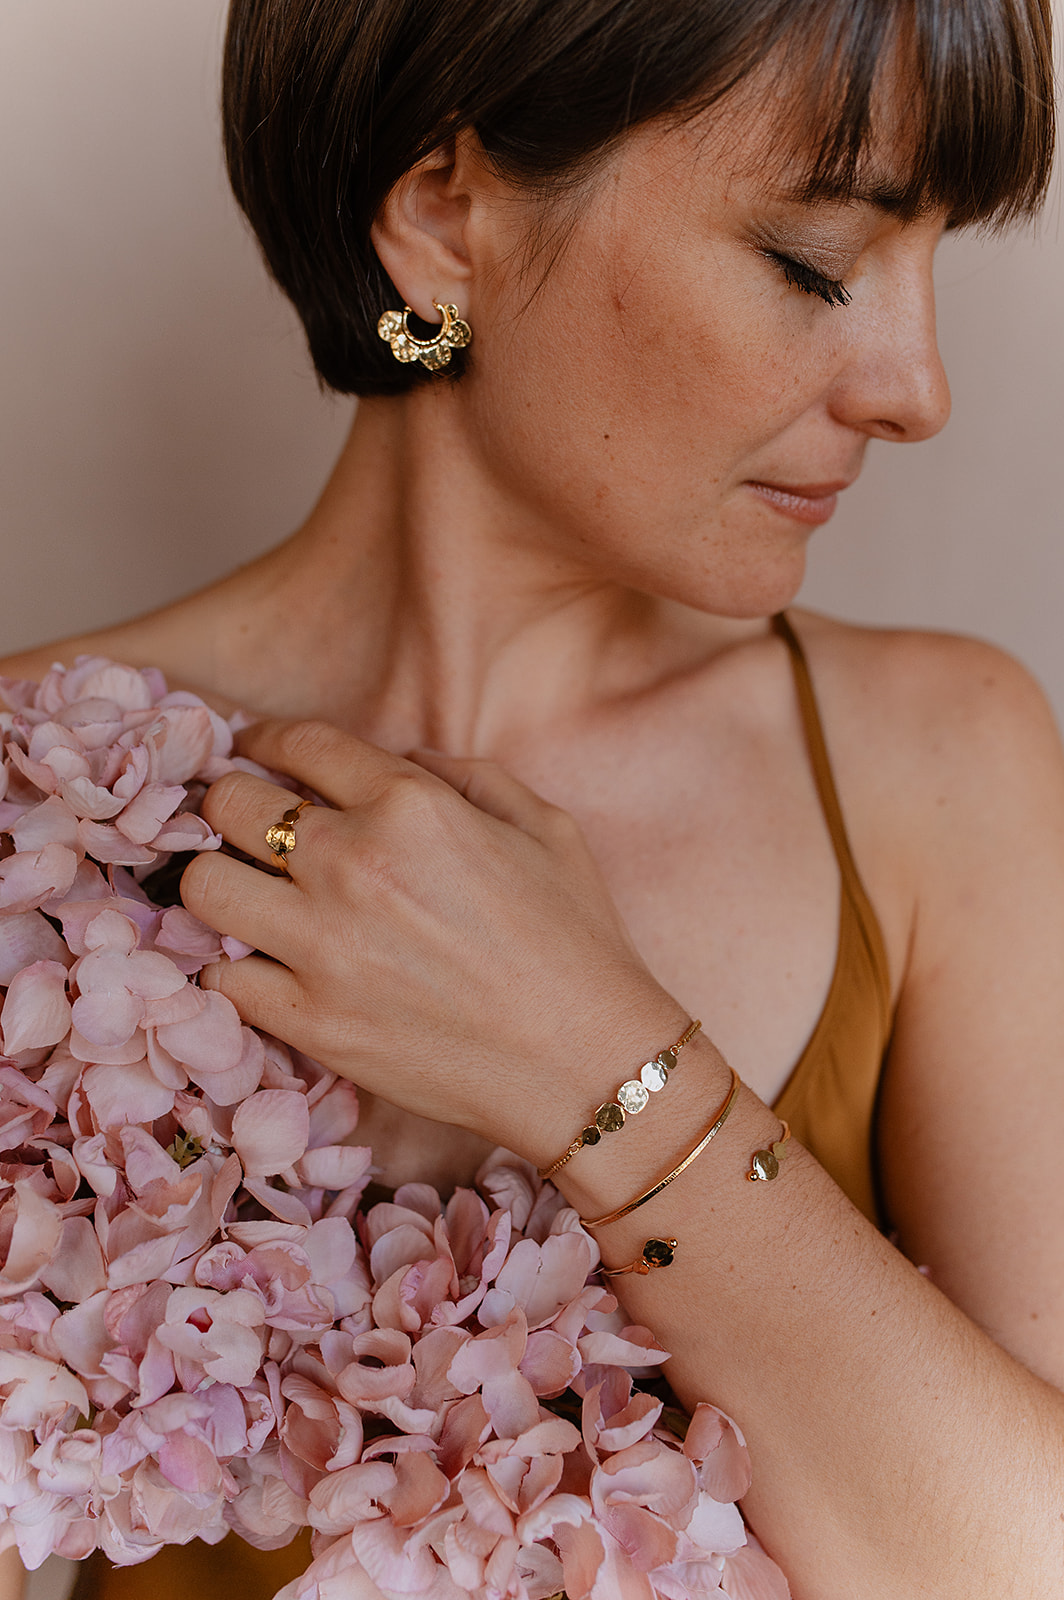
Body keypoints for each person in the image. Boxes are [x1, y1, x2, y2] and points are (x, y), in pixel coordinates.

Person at [2, 0, 1061, 1595]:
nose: (918, 389)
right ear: (447, 214)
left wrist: (592, 1060)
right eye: (815, 262)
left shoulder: (941, 758)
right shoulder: (32, 791)